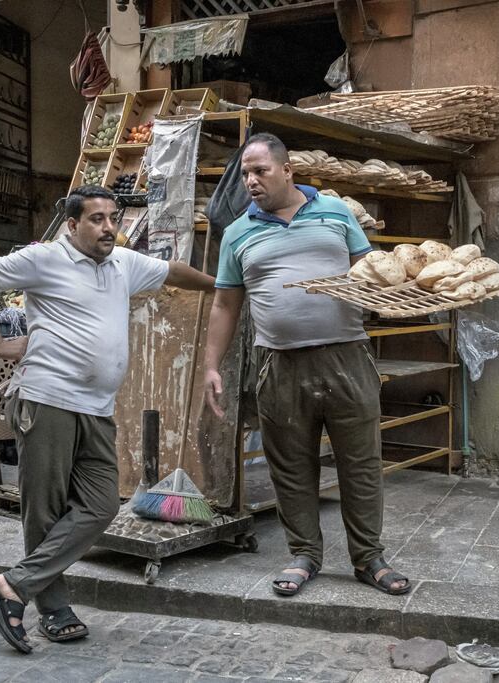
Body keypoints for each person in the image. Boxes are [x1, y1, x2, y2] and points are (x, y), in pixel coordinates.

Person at [0, 185, 216, 654]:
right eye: (96, 219)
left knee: (101, 505)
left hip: (97, 408)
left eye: (112, 217)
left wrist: (220, 284)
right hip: (48, 400)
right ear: (72, 225)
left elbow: (173, 271)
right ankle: (51, 610)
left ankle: (13, 585)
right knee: (46, 510)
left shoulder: (123, 263)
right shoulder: (43, 260)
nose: (109, 227)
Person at [202, 132, 410, 597]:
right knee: (291, 466)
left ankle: (369, 558)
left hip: (347, 355)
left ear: (288, 170)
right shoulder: (238, 233)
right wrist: (210, 366)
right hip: (279, 363)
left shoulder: (336, 213)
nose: (251, 181)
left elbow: (372, 271)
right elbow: (224, 307)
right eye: (245, 174)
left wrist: (398, 296)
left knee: (360, 463)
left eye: (261, 171)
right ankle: (304, 555)